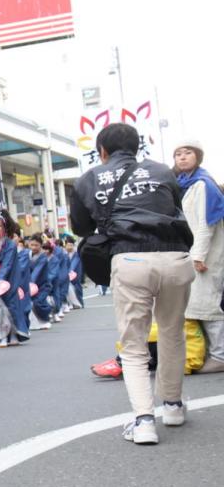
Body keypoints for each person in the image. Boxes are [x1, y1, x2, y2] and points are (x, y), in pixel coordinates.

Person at [70, 123, 194, 445]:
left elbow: (82, 227)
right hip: (175, 257)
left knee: (134, 343)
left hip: (130, 259)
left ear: (102, 151)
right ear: (138, 148)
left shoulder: (89, 179)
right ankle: (173, 406)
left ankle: (143, 422)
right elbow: (175, 208)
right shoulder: (162, 172)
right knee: (171, 333)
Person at [172, 140, 224, 373]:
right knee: (198, 304)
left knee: (209, 303)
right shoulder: (185, 184)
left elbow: (206, 224)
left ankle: (219, 356)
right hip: (195, 252)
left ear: (198, 157)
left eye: (188, 153)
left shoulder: (203, 184)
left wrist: (198, 255)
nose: (182, 157)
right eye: (178, 154)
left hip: (206, 253)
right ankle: (210, 353)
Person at [0, 212, 27, 347]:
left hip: (8, 280)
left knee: (11, 306)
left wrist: (0, 280)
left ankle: (14, 333)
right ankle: (2, 335)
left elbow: (8, 263)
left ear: (4, 228)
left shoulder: (9, 244)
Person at [27, 234, 54, 330]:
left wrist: (30, 283)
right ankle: (35, 322)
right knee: (29, 304)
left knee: (38, 302)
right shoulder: (27, 255)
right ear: (28, 244)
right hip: (31, 285)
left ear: (40, 245)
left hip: (43, 285)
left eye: (36, 245)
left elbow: (36, 272)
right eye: (32, 245)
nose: (33, 247)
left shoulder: (43, 257)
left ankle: (47, 315)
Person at [64, 237, 85, 310]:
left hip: (76, 273)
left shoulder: (76, 253)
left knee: (77, 287)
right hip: (67, 274)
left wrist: (70, 271)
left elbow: (74, 263)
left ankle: (80, 303)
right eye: (68, 245)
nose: (69, 247)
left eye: (71, 245)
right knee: (68, 289)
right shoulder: (64, 254)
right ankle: (71, 304)